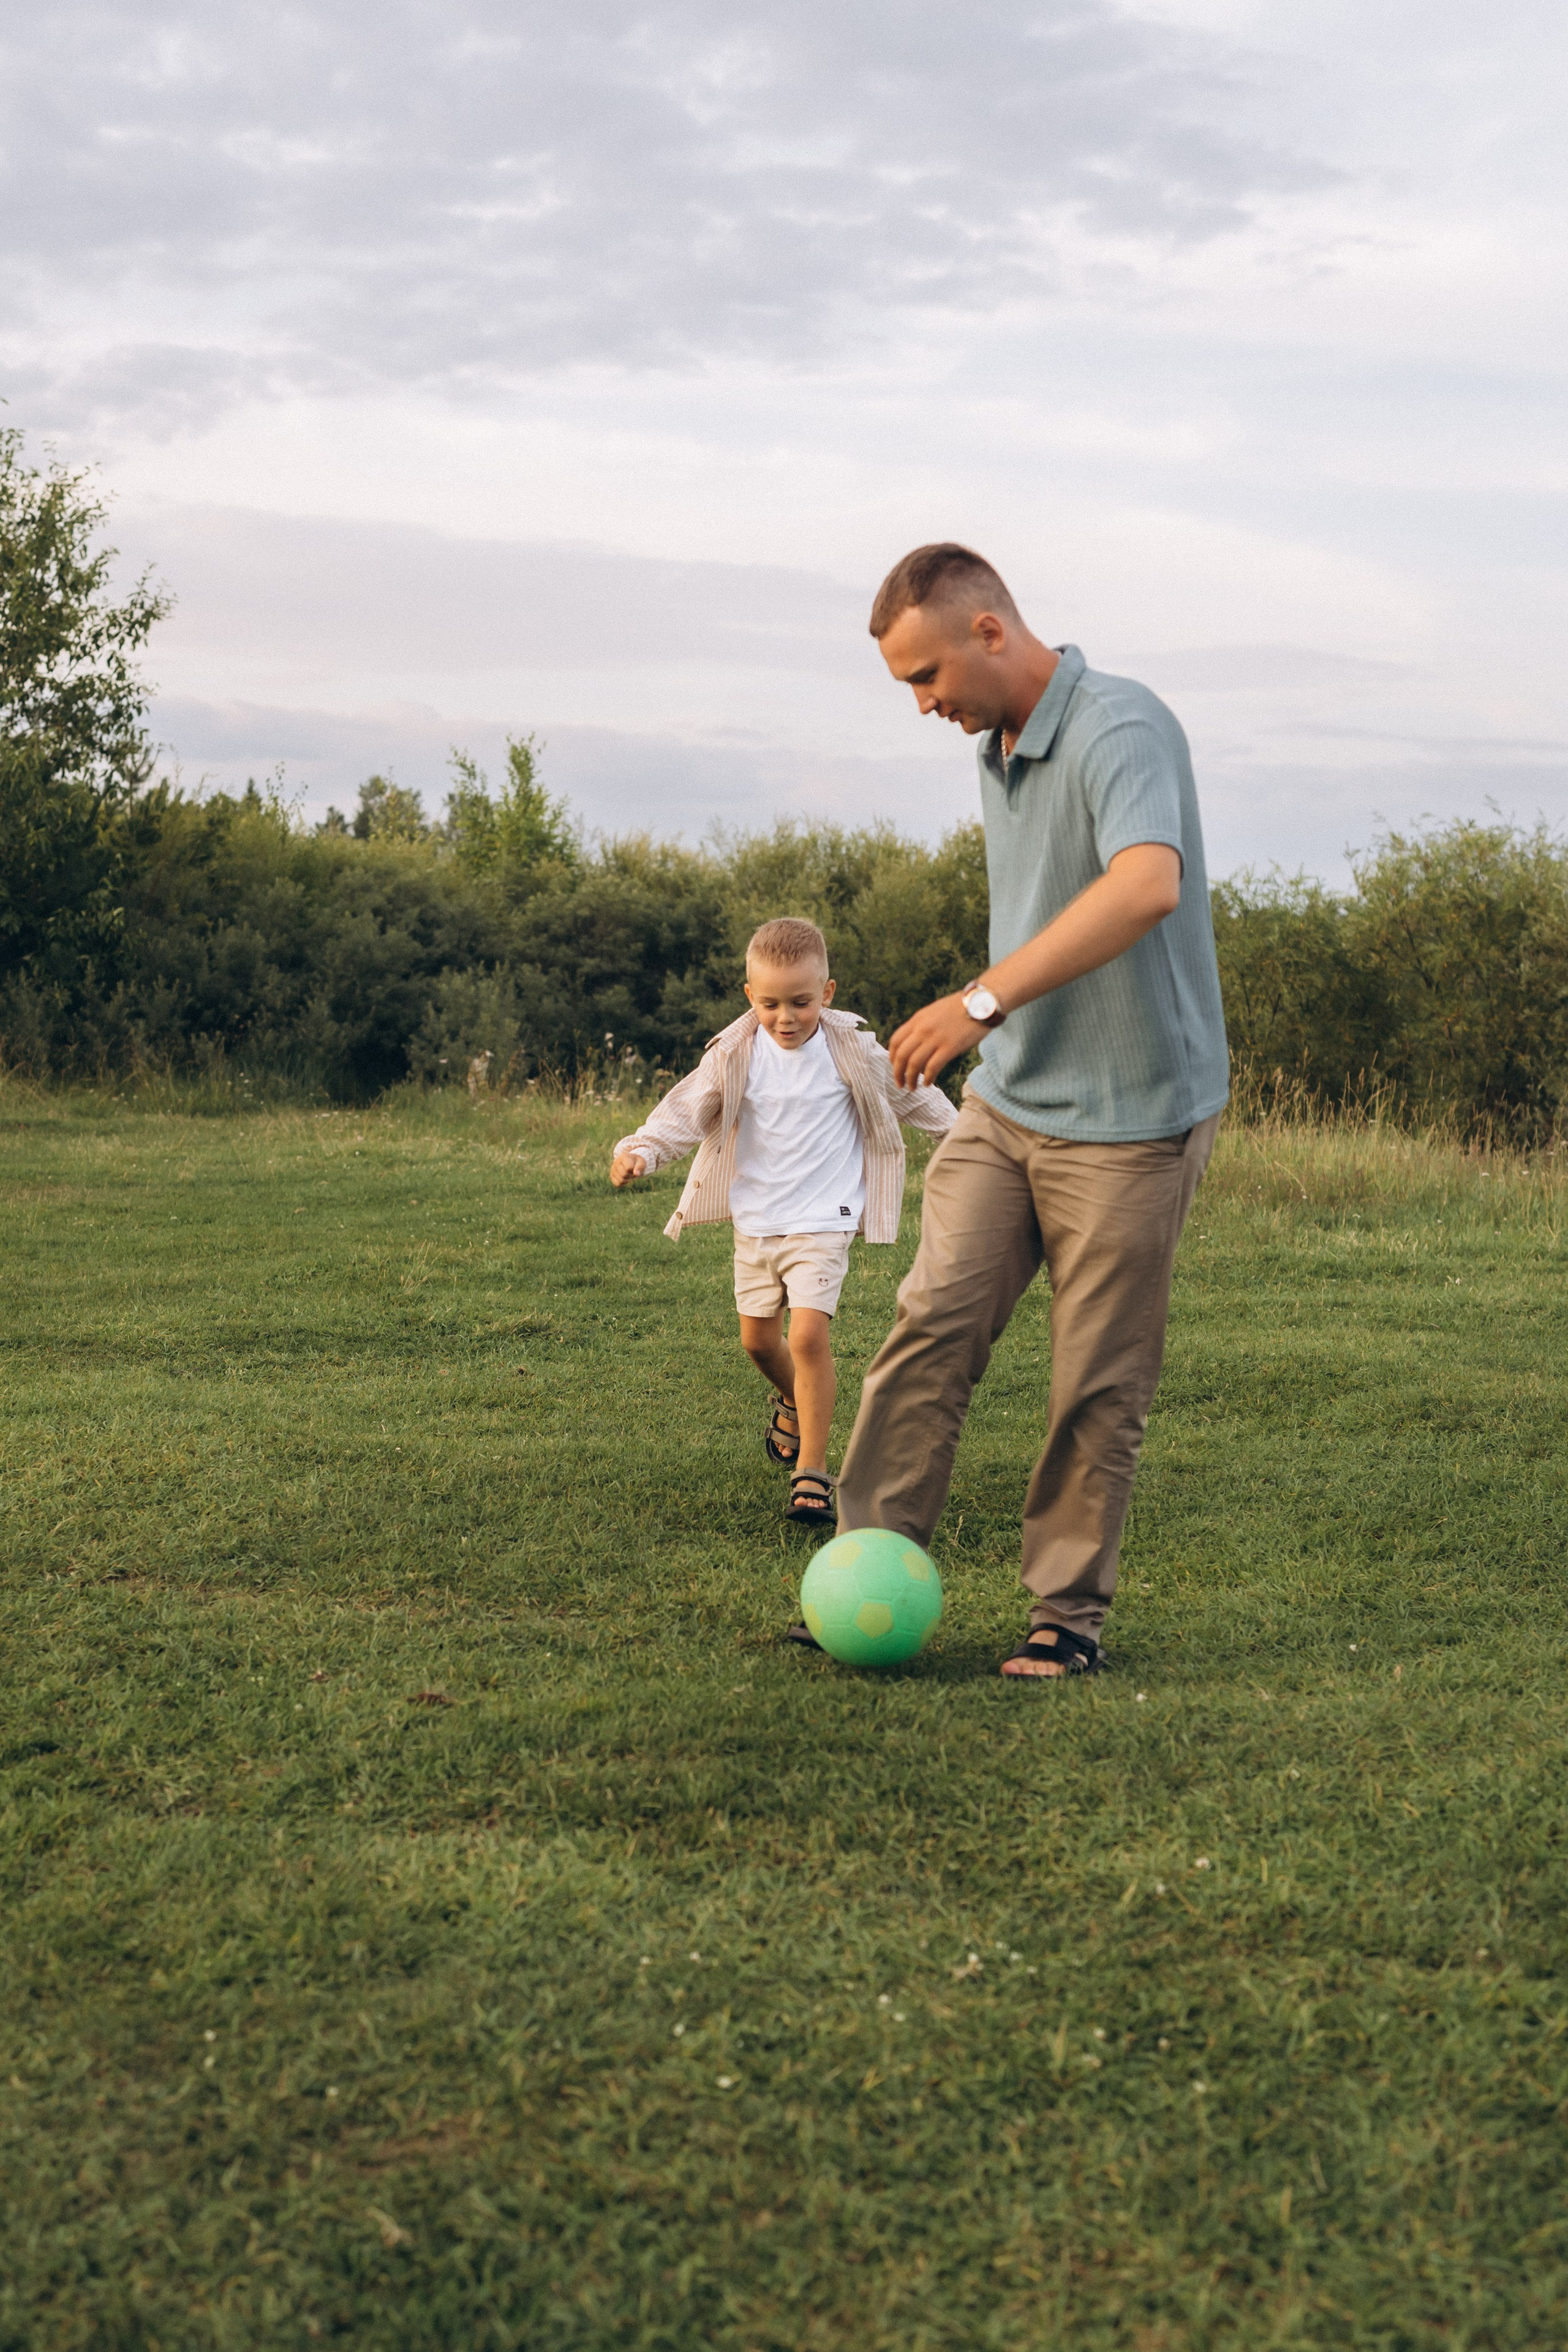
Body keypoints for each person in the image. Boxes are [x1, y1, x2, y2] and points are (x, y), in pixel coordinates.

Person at [833, 542, 1229, 1679]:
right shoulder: (995, 746)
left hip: (1134, 1120)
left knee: (1094, 1376)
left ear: (989, 631)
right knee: (928, 1331)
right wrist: (995, 1024)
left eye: (926, 676)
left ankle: (1068, 1613)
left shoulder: (1120, 727)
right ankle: (867, 1575)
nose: (923, 706)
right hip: (1010, 1107)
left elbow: (1147, 883)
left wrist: (981, 999)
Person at [609, 916, 956, 1526]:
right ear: (750, 997)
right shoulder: (735, 1053)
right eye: (770, 1004)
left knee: (806, 1336)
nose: (786, 1017)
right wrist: (643, 1148)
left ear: (826, 992)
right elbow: (686, 1110)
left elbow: (914, 1092)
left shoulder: (852, 1050)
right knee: (758, 1341)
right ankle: (793, 1406)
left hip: (824, 1218)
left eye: (800, 1002)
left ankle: (812, 1475)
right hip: (758, 1218)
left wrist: (964, 1136)